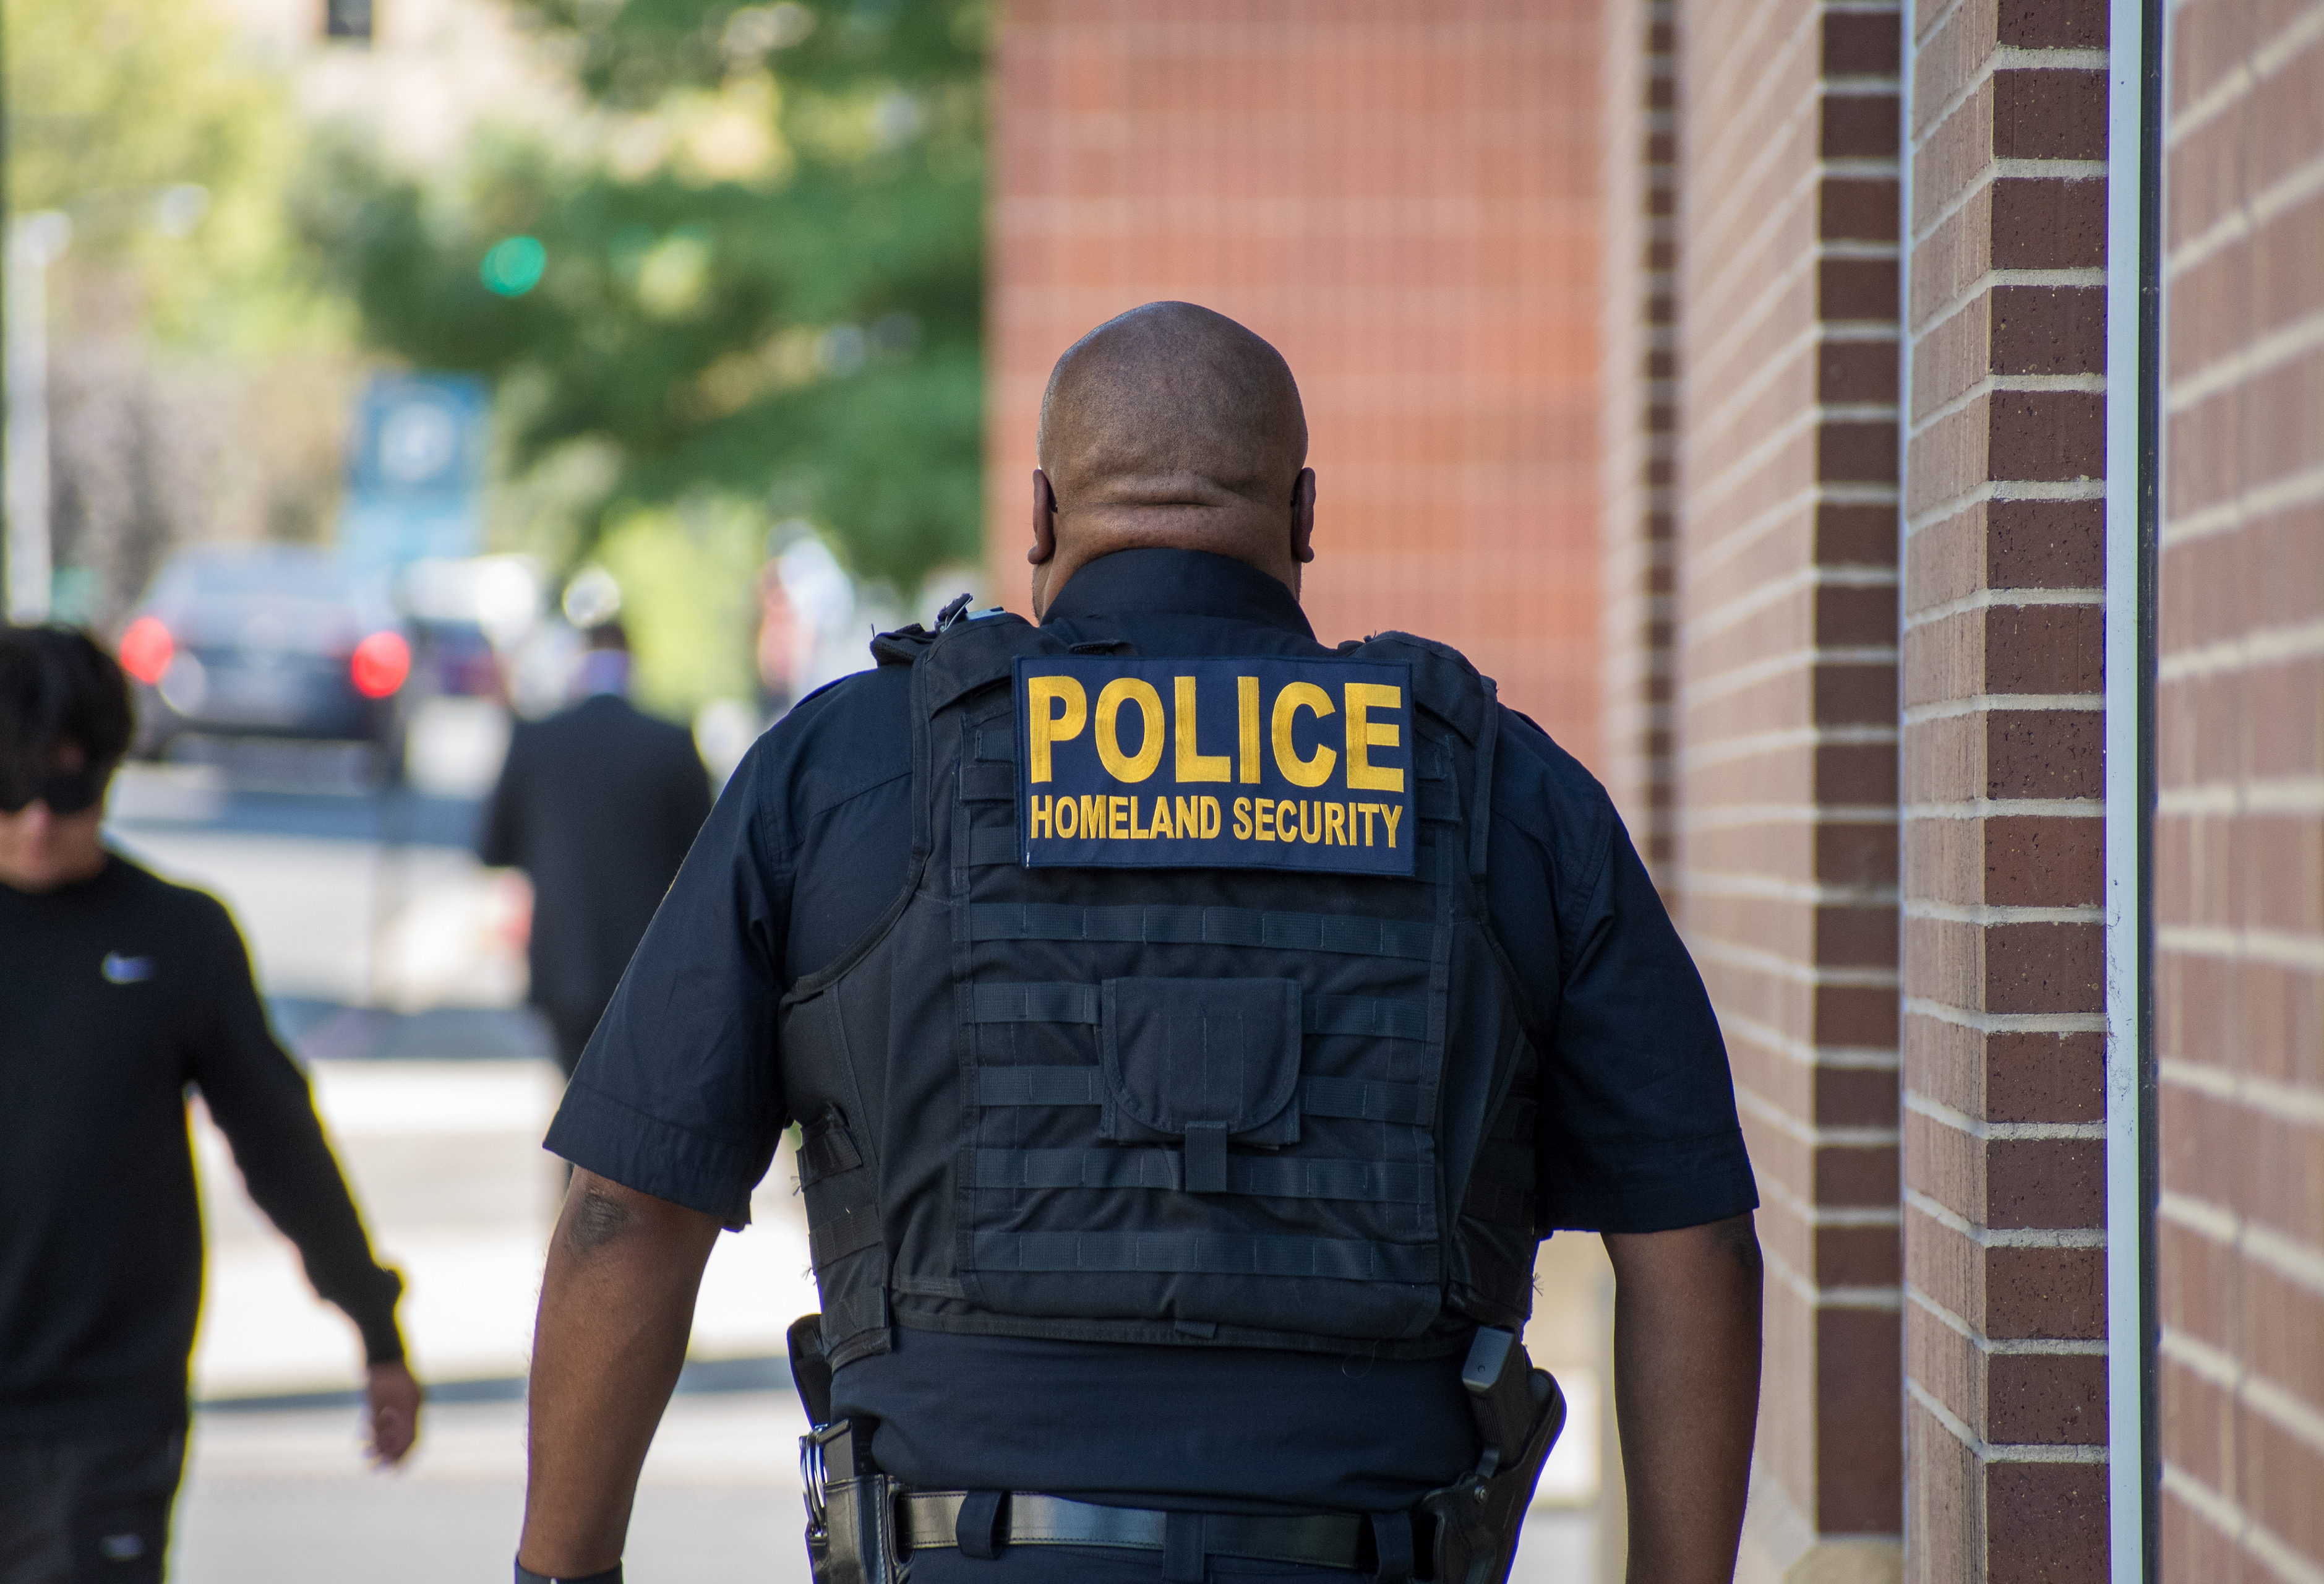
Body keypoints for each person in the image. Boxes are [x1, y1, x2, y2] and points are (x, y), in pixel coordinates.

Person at [515, 303, 1763, 1584]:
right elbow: (1693, 1242)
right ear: (1305, 514)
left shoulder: (845, 769)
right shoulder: (1511, 794)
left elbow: (625, 1213)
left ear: (1044, 517)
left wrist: (557, 1575)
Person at [0, 626, 421, 1584]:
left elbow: (280, 1144)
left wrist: (374, 1323)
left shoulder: (176, 937)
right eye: (6, 789)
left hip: (102, 1423)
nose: (34, 821)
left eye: (66, 791)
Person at [478, 622, 713, 1077]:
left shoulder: (536, 741)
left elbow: (493, 848)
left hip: (563, 956)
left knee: (574, 1093)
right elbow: (707, 857)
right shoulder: (671, 741)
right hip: (650, 965)